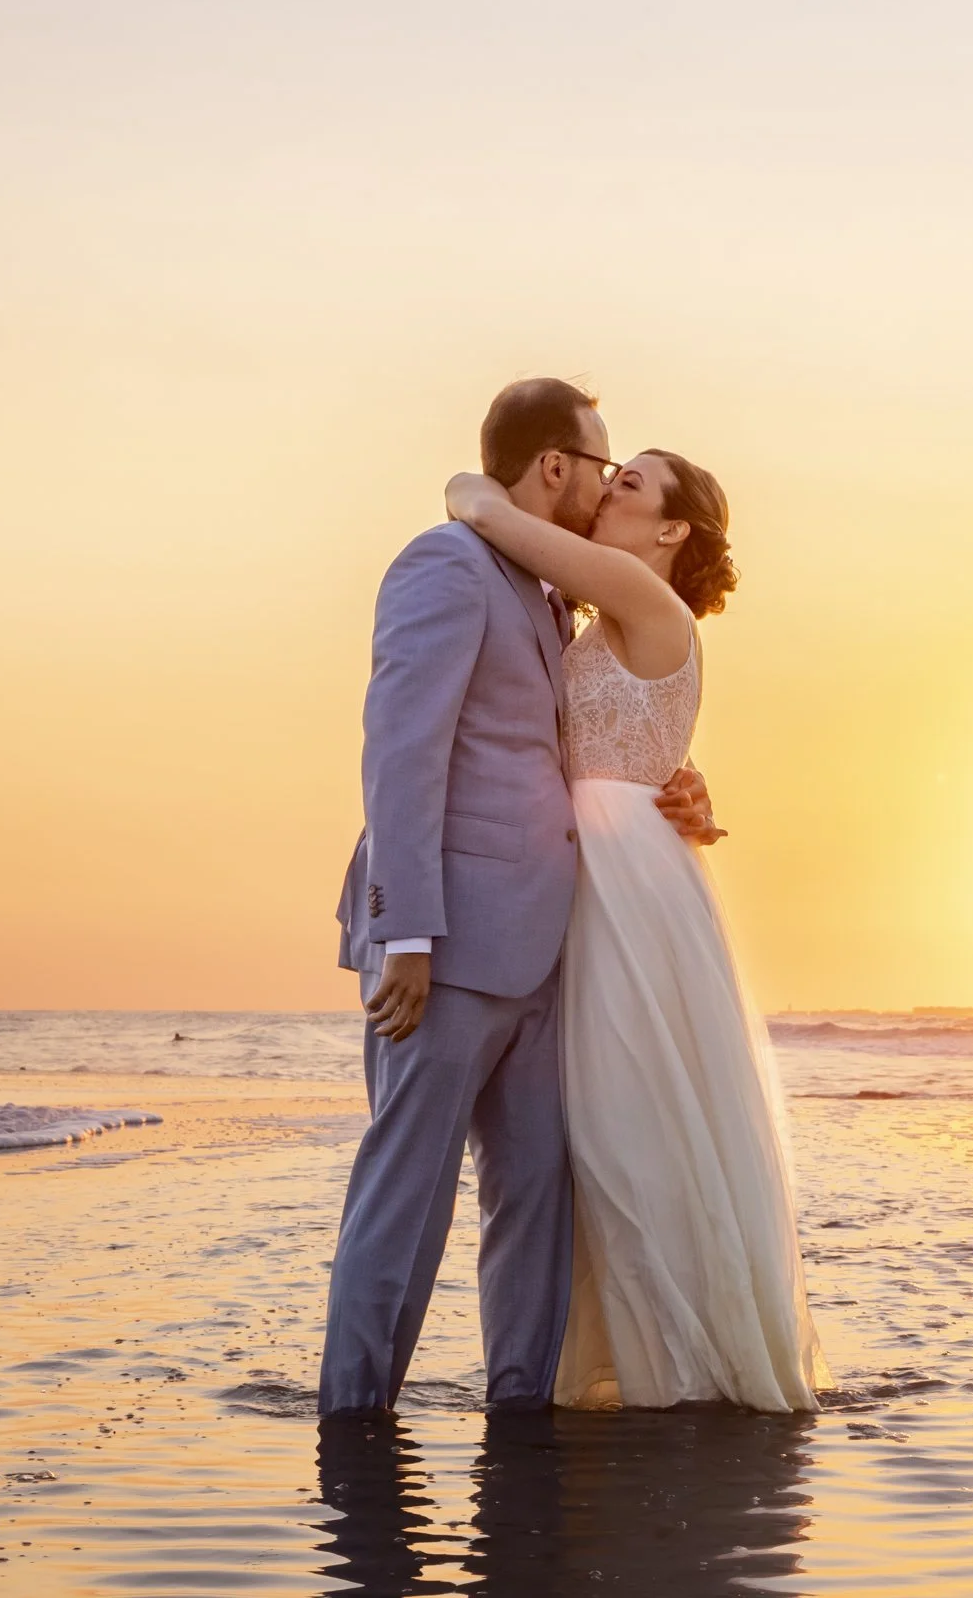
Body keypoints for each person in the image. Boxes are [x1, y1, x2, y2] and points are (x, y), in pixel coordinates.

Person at [319, 378, 719, 1419]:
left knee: (536, 1199)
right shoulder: (446, 565)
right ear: (556, 466)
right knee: (407, 1198)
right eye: (601, 465)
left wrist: (672, 792)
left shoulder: (553, 596)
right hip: (444, 945)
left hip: (554, 947)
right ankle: (354, 1422)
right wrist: (406, 925)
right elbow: (402, 753)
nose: (603, 484)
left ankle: (521, 1417)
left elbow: (584, 742)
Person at [445, 450, 826, 1412]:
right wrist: (688, 781)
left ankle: (678, 1377)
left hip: (626, 887)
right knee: (614, 1125)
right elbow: (634, 737)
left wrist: (472, 488)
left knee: (628, 1130)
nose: (607, 485)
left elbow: (493, 518)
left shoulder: (636, 592)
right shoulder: (617, 614)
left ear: (671, 531)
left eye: (630, 482)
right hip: (609, 869)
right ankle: (625, 1365)